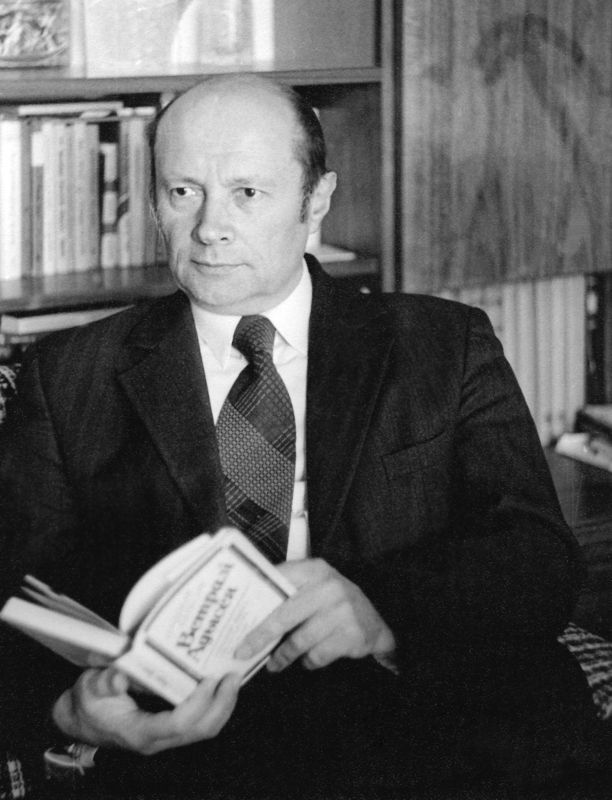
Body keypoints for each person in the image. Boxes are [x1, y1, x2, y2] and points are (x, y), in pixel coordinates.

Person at [0, 73, 602, 798]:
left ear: (316, 201)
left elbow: (538, 557)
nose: (210, 227)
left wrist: (382, 610)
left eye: (248, 193)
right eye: (182, 191)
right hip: (194, 751)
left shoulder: (444, 343)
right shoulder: (67, 375)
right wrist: (71, 712)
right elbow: (15, 605)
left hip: (433, 723)